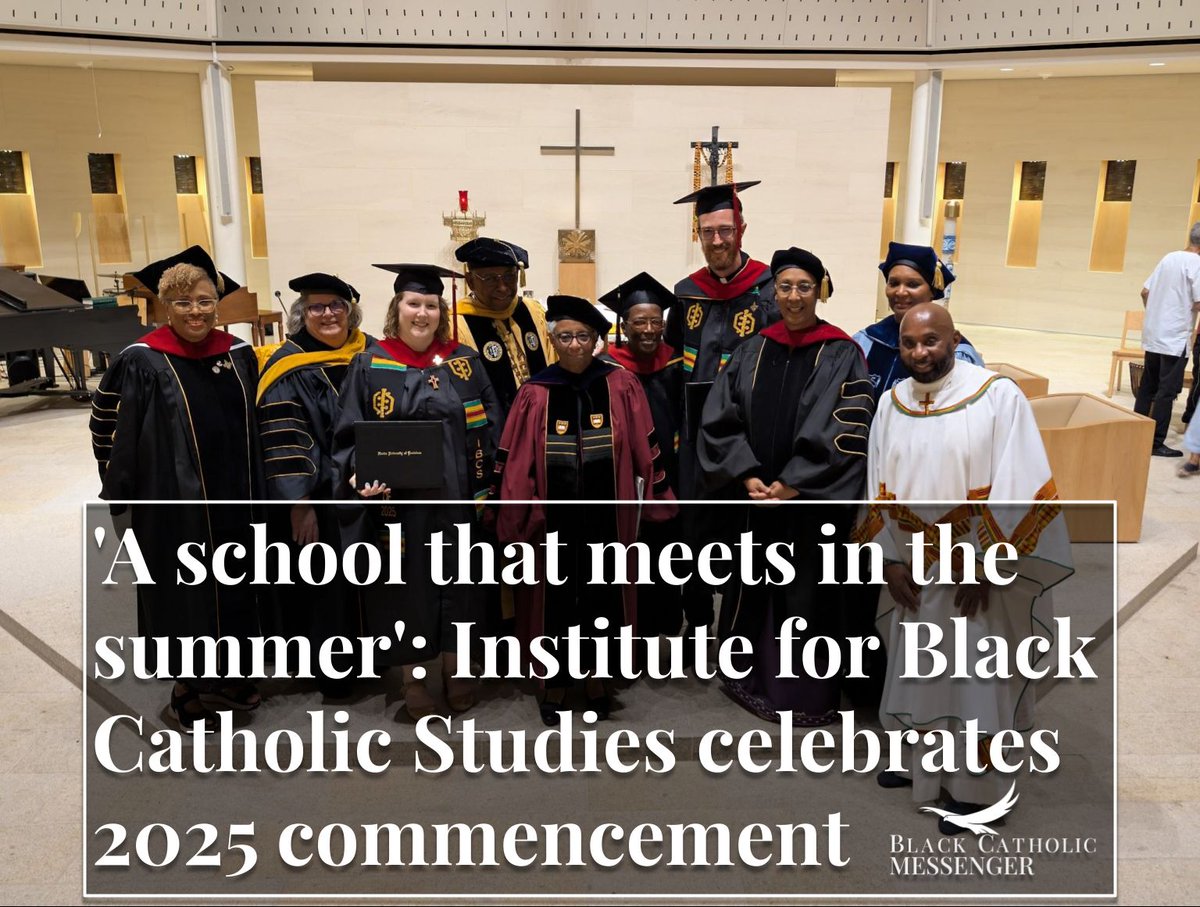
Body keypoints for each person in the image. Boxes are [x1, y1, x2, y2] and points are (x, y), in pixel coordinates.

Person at [855, 302, 1073, 834]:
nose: (918, 353)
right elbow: (877, 481)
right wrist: (886, 558)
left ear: (954, 340)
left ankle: (977, 793)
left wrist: (990, 564)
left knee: (974, 676)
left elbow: (1020, 478)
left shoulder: (996, 397)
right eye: (908, 344)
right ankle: (917, 765)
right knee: (918, 667)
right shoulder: (892, 402)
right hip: (915, 565)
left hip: (974, 566)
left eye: (930, 342)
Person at [697, 247, 872, 723]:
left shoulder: (841, 353)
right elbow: (720, 418)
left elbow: (846, 429)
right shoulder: (754, 349)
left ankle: (803, 695)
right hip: (756, 499)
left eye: (804, 287)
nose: (794, 297)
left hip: (809, 507)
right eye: (785, 287)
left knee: (805, 594)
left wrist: (794, 482)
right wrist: (748, 474)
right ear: (773, 292)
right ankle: (746, 678)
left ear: (821, 291)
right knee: (753, 584)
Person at [89, 246, 262, 728]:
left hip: (237, 497)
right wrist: (122, 489)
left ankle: (234, 676)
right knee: (185, 593)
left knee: (238, 585)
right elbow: (105, 423)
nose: (196, 311)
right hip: (172, 504)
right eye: (183, 302)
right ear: (166, 305)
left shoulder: (239, 354)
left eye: (205, 300)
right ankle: (189, 686)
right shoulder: (141, 360)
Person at [494, 294, 677, 726]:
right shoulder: (536, 393)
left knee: (603, 594)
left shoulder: (621, 385)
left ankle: (596, 677)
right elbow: (517, 462)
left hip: (608, 521)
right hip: (549, 522)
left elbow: (644, 450)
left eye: (583, 336)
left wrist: (654, 502)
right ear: (553, 340)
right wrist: (514, 517)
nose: (575, 345)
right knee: (552, 600)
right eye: (565, 336)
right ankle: (553, 680)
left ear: (597, 339)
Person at [332, 263, 503, 720]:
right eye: (413, 304)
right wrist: (358, 474)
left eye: (430, 304)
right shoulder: (370, 363)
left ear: (440, 310)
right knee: (409, 589)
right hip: (401, 510)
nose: (422, 313)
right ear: (397, 308)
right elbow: (347, 434)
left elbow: (493, 425)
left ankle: (459, 669)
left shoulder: (465, 362)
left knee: (462, 586)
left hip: (459, 500)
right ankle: (416, 678)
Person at [669, 180, 781, 647]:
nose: (717, 240)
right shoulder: (685, 292)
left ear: (742, 230)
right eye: (707, 231)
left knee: (743, 539)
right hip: (694, 440)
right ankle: (696, 623)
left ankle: (735, 629)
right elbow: (670, 361)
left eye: (725, 230)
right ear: (697, 235)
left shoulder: (770, 289)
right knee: (693, 534)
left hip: (747, 440)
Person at [256, 272, 371, 698]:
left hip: (371, 492)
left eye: (336, 306)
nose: (328, 315)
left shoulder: (370, 352)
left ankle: (373, 661)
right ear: (301, 315)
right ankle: (335, 674)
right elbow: (284, 439)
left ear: (350, 311)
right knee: (328, 586)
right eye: (316, 308)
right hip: (321, 499)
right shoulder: (287, 366)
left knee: (370, 577)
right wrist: (299, 503)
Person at [599, 272, 685, 638]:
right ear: (624, 324)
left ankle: (657, 634)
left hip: (671, 479)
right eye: (639, 322)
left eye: (655, 321)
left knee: (665, 559)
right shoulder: (607, 369)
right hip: (622, 482)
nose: (648, 330)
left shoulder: (677, 364)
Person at [853, 241, 984, 403]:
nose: (900, 292)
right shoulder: (865, 341)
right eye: (893, 283)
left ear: (932, 290)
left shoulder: (957, 352)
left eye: (912, 284)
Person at [452, 236, 555, 413]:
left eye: (509, 276)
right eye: (490, 279)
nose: (503, 287)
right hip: (493, 432)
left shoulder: (532, 311)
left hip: (542, 423)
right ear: (470, 281)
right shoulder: (456, 324)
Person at [1135, 223, 1200, 457]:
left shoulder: (1169, 257)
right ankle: (1155, 443)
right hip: (1174, 337)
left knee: (1147, 386)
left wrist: (1155, 312)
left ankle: (1136, 432)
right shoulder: (1197, 264)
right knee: (1167, 391)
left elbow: (1145, 291)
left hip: (1154, 332)